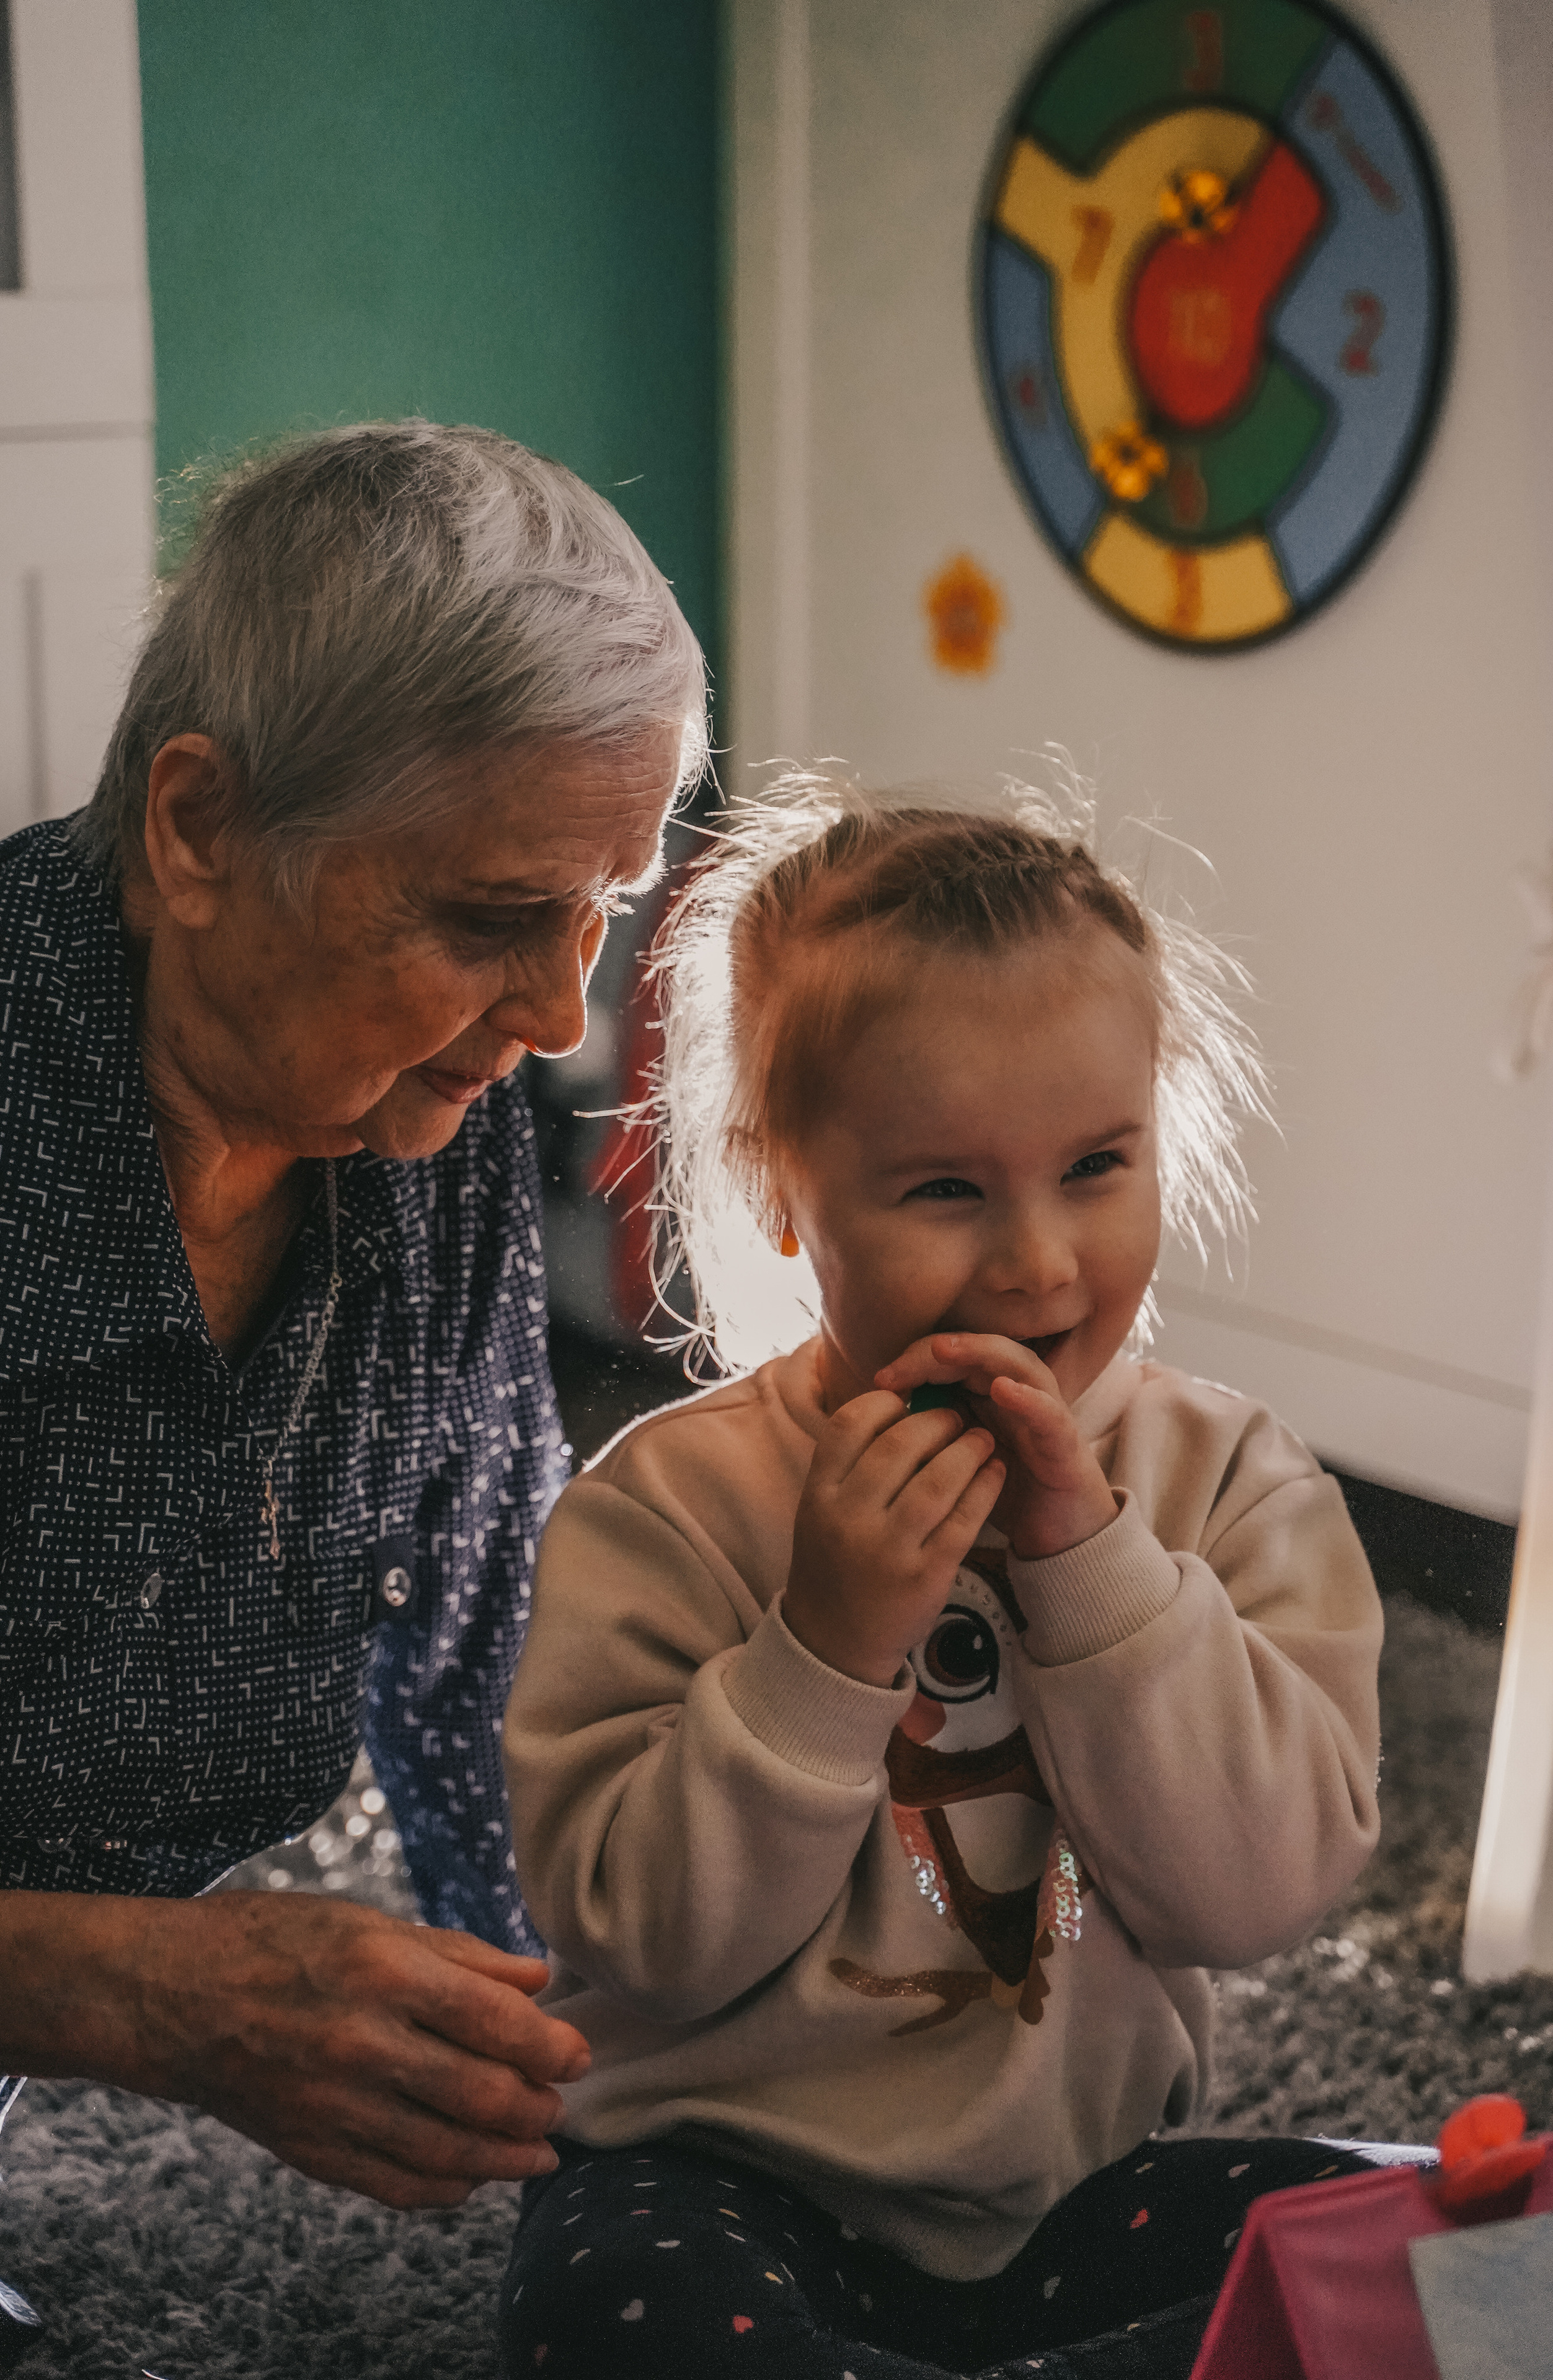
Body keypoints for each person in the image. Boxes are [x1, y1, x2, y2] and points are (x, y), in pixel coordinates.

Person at [497, 773, 1385, 2379]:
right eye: (946, 1191)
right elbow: (645, 1941)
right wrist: (823, 1651)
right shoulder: (665, 1507)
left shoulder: (1235, 1484)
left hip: (1078, 2204)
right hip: (721, 2187)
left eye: (1098, 1166)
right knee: (609, 2316)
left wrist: (1099, 1576)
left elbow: (1251, 1897)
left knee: (1436, 2273)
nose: (1039, 1262)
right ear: (782, 1183)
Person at [0, 421, 708, 2351]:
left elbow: (484, 1619)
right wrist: (153, 1993)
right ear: (200, 827)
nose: (563, 1016)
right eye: (488, 919)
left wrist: (568, 2019)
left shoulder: (438, 1129)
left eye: (602, 915)